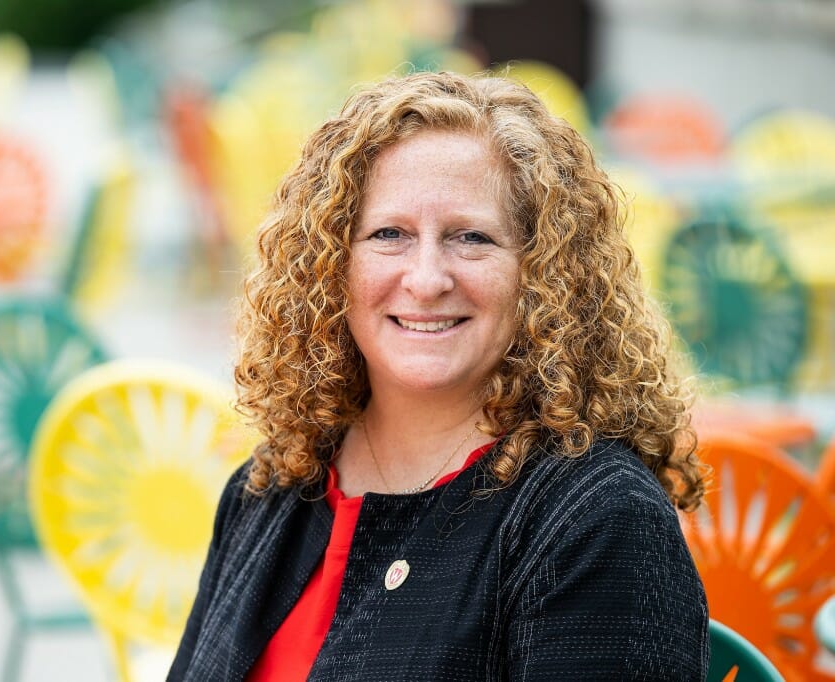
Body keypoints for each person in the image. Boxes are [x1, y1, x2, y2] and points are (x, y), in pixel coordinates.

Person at [169, 71, 709, 681]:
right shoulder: (272, 484)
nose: (427, 279)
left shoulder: (597, 522)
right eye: (389, 235)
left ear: (542, 273)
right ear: (330, 266)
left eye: (471, 238)